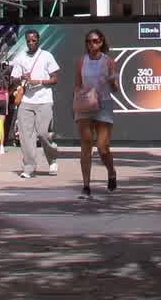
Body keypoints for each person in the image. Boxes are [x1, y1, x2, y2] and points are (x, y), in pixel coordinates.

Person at [72, 29, 120, 198]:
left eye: (94, 41)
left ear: (101, 42)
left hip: (103, 104)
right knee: (86, 144)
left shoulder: (108, 61)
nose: (91, 44)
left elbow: (115, 88)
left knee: (102, 147)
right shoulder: (81, 61)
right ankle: (86, 185)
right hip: (85, 103)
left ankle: (111, 172)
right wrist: (75, 104)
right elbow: (77, 84)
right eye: (88, 41)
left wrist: (112, 82)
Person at [8, 29, 60, 180]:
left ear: (38, 40)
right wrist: (21, 77)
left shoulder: (46, 56)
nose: (31, 43)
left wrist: (39, 81)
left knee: (43, 133)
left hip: (44, 100)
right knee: (25, 136)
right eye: (28, 41)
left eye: (34, 40)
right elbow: (14, 79)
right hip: (26, 101)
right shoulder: (20, 58)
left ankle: (52, 159)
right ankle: (29, 167)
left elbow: (55, 79)